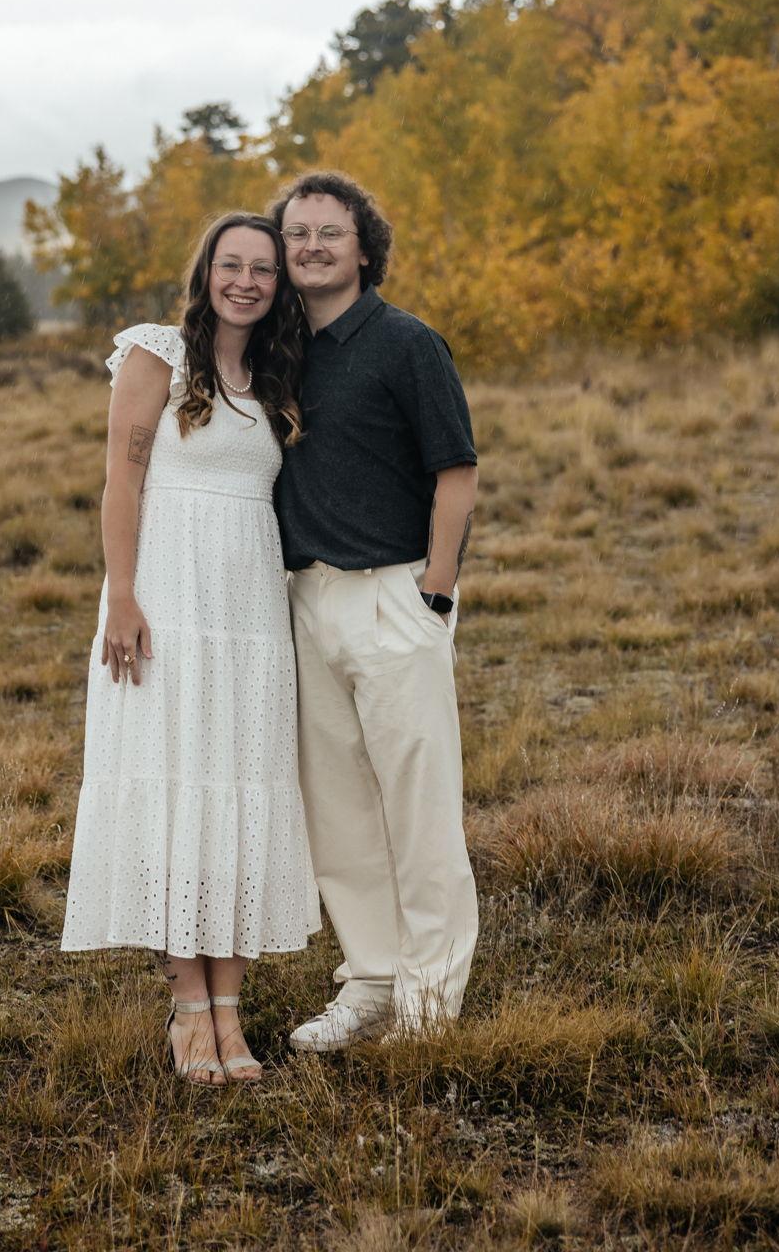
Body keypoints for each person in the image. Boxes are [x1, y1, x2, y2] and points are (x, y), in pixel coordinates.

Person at [59, 212, 319, 1085]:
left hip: (248, 615)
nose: (245, 280)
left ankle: (233, 1011)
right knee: (173, 782)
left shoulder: (280, 374)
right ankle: (189, 1010)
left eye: (263, 270)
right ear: (205, 271)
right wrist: (122, 596)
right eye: (231, 264)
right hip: (164, 599)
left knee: (240, 785)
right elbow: (121, 480)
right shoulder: (157, 355)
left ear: (279, 285)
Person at [271, 171, 480, 1048]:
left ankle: (430, 1003)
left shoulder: (406, 343)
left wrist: (434, 586)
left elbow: (456, 471)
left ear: (363, 246)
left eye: (329, 232)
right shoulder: (277, 351)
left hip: (397, 594)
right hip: (306, 599)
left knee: (418, 806)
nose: (311, 247)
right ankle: (371, 981)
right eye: (297, 235)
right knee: (340, 810)